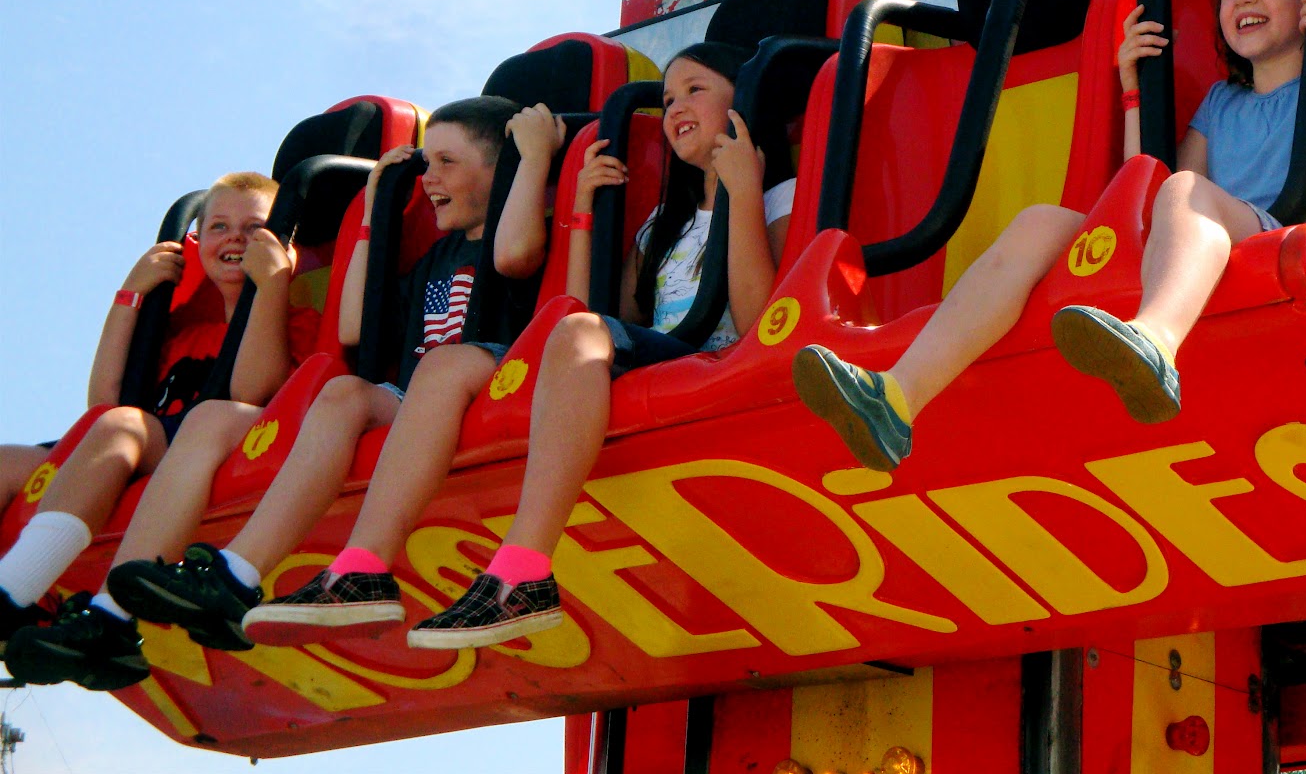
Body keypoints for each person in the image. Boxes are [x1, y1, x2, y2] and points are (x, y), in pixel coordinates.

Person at [792, 0, 1306, 470]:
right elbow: (1149, 191)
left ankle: (1156, 343)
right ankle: (896, 398)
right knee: (1040, 222)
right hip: (1199, 242)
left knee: (1187, 189)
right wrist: (1134, 92)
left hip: (1281, 235)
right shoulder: (1221, 105)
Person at [102, 97, 565, 654]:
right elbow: (354, 326)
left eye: (447, 163)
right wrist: (372, 212)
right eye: (426, 165)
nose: (428, 180)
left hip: (495, 377)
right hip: (419, 397)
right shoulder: (433, 259)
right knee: (343, 392)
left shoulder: (517, 235)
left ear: (501, 168)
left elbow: (513, 255)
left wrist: (532, 158)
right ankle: (238, 574)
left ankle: (351, 561)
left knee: (437, 368)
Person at [401, 42, 794, 649]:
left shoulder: (776, 197)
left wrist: (742, 191)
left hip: (722, 355)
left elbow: (756, 321)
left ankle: (524, 568)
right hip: (661, 353)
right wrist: (580, 210)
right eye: (666, 99)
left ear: (742, 101)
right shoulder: (660, 224)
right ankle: (519, 568)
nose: (675, 107)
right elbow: (591, 321)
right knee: (578, 333)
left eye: (695, 90)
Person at [0, 172, 319, 688]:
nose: (235, 238)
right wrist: (130, 295)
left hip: (224, 439)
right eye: (218, 226)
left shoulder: (291, 318)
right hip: (144, 443)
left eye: (253, 227)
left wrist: (271, 284)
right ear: (195, 243)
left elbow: (254, 389)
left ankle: (11, 595)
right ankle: (16, 594)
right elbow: (101, 407)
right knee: (8, 461)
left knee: (124, 424)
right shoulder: (184, 334)